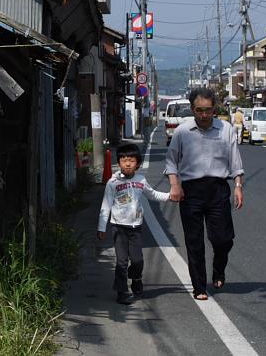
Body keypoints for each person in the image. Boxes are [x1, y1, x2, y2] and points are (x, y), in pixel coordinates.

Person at [164, 87, 244, 301]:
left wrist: (238, 185)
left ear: (214, 109)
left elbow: (235, 161)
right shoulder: (182, 132)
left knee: (223, 239)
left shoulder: (226, 129)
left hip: (218, 188)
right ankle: (199, 286)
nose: (204, 115)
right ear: (192, 109)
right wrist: (175, 185)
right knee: (194, 241)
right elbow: (171, 162)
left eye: (208, 110)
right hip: (190, 190)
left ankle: (219, 268)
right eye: (199, 110)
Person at [97, 143, 172, 305]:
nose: (128, 163)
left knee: (137, 261)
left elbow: (153, 194)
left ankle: (136, 278)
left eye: (131, 160)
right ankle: (121, 291)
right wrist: (101, 227)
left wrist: (170, 196)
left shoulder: (141, 180)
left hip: (136, 227)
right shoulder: (113, 183)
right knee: (122, 261)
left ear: (137, 163)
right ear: (119, 163)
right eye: (124, 160)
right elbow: (106, 205)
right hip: (119, 227)